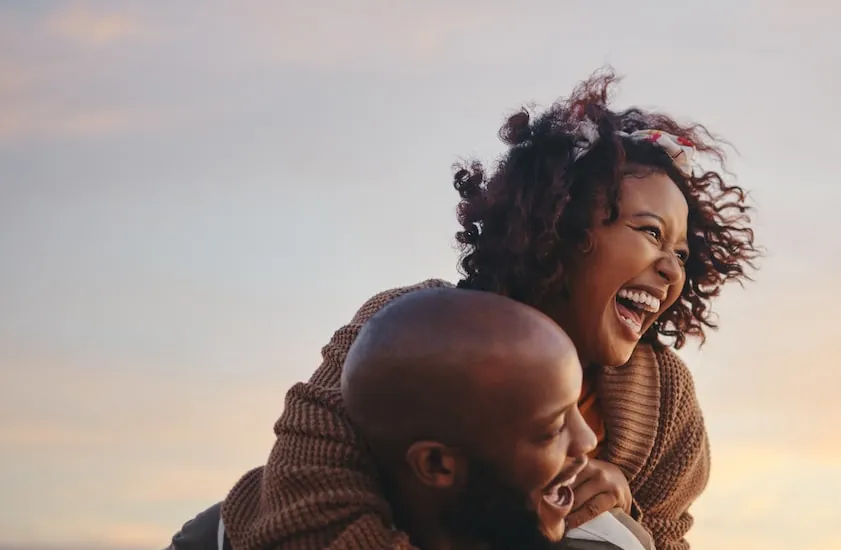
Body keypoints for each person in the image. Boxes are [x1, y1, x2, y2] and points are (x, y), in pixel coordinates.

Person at [219, 68, 759, 550]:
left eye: (682, 255)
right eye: (650, 233)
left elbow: (666, 538)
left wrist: (629, 511)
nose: (671, 270)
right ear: (562, 226)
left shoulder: (665, 398)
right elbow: (308, 500)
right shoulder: (412, 328)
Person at [167, 287, 655, 550]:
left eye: (575, 408)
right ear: (438, 465)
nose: (586, 442)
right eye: (550, 430)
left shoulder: (605, 542)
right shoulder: (219, 540)